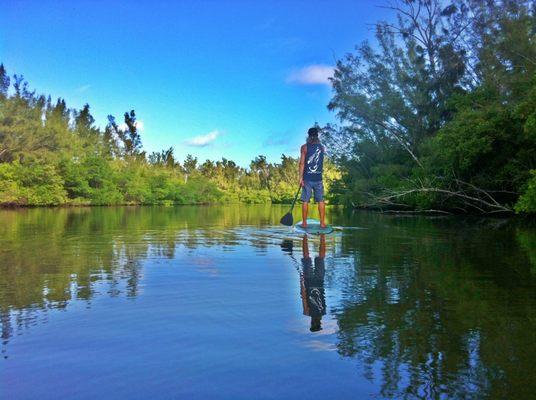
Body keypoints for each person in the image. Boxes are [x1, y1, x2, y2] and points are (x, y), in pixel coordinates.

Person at [299, 126, 326, 228]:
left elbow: (302, 164)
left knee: (305, 201)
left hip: (307, 178)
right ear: (317, 136)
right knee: (321, 200)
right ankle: (322, 223)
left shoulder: (304, 147)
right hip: (318, 178)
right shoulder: (322, 147)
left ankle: (304, 223)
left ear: (309, 136)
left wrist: (300, 178)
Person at [300, 235, 326, 332]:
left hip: (319, 282)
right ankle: (305, 235)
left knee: (321, 258)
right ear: (311, 323)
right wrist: (301, 282)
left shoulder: (323, 312)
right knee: (306, 258)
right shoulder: (307, 312)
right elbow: (303, 296)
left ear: (319, 323)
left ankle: (322, 236)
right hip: (309, 282)